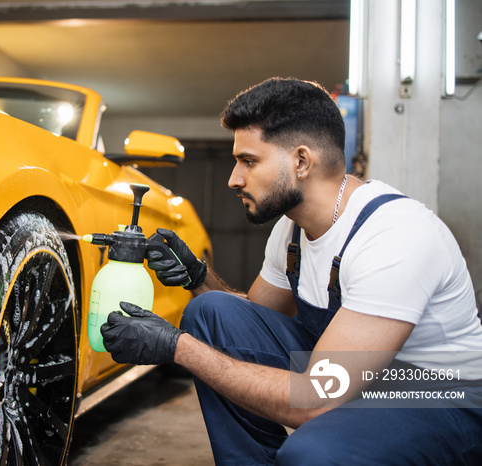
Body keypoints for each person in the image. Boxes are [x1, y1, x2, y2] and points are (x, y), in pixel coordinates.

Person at [100, 77, 482, 465]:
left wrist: (177, 347)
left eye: (249, 161)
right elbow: (250, 318)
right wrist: (198, 278)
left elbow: (317, 397)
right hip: (352, 375)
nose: (234, 178)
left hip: (435, 397)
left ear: (301, 161)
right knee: (212, 311)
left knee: (313, 454)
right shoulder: (292, 231)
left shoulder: (394, 235)